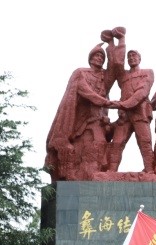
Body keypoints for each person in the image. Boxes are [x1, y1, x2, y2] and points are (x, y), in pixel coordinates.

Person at [44, 44, 117, 181]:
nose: (99, 58)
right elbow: (86, 92)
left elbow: (115, 67)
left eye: (102, 57)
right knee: (79, 150)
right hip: (80, 123)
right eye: (97, 55)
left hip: (96, 121)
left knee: (100, 145)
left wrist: (113, 44)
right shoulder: (80, 73)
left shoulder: (103, 77)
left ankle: (92, 175)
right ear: (90, 58)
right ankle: (77, 176)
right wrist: (107, 102)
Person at [107, 50, 155, 173]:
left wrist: (122, 104)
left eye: (134, 56)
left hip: (140, 112)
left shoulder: (147, 72)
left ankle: (150, 170)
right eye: (129, 56)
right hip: (125, 115)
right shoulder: (123, 76)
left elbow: (142, 92)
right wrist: (117, 43)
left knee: (145, 142)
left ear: (140, 59)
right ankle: (111, 171)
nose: (131, 58)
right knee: (117, 142)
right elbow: (117, 63)